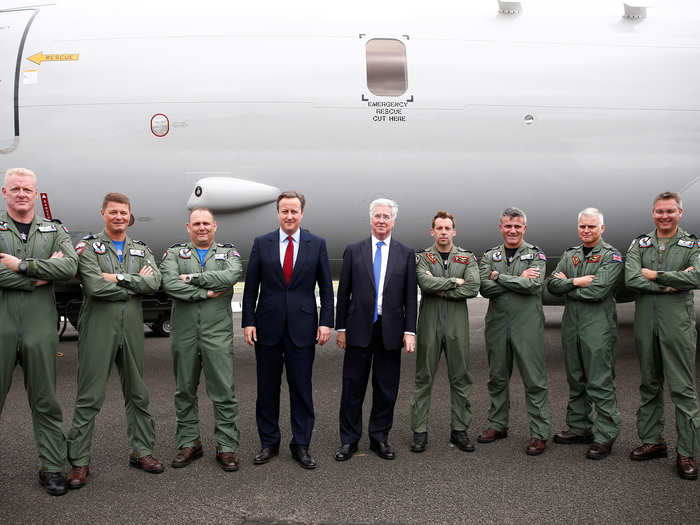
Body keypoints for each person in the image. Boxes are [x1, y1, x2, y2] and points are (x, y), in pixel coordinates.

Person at [66, 192, 163, 489]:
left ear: (129, 215)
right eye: (113, 212)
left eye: (124, 212)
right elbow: (94, 286)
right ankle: (79, 462)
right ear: (103, 213)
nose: (119, 217)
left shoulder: (140, 249)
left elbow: (154, 282)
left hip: (131, 326)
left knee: (138, 393)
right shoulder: (89, 247)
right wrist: (133, 284)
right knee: (89, 396)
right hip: (98, 326)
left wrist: (116, 278)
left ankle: (142, 452)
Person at [0, 168, 78, 496]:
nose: (21, 194)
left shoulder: (53, 230)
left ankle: (52, 467)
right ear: (5, 193)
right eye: (15, 189)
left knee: (45, 400)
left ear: (36, 194)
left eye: (27, 189)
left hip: (40, 329)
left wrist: (20, 265)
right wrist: (43, 274)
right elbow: (56, 269)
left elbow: (70, 267)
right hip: (2, 327)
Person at [242, 191, 333, 470]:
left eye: (294, 211)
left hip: (303, 328)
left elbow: (327, 290)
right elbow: (250, 288)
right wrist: (248, 321)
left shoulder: (316, 244)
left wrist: (326, 322)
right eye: (284, 211)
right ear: (278, 213)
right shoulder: (262, 243)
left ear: (301, 213)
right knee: (266, 390)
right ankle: (269, 443)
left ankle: (301, 445)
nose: (289, 216)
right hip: (267, 328)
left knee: (301, 390)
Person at [335, 198, 417, 462]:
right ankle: (349, 440)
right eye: (378, 216)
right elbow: (343, 293)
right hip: (358, 328)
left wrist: (410, 331)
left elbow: (409, 298)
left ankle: (379, 437)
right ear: (371, 219)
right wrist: (341, 328)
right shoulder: (354, 250)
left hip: (390, 330)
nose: (382, 220)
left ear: (393, 221)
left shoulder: (405, 254)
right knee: (352, 387)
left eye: (386, 216)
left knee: (385, 388)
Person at [160, 208, 243, 472]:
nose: (202, 228)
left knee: (224, 392)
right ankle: (189, 442)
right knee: (184, 390)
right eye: (196, 224)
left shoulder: (228, 253)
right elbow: (169, 284)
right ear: (188, 227)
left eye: (206, 223)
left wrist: (193, 279)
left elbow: (231, 276)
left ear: (215, 226)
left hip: (217, 334)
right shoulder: (174, 253)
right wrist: (204, 293)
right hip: (184, 334)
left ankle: (226, 446)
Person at [625, 191, 700, 480]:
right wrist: (672, 283)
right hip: (646, 325)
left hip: (677, 325)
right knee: (649, 384)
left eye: (670, 211)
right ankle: (653, 441)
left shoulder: (691, 244)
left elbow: (697, 276)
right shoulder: (639, 243)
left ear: (680, 212)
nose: (664, 216)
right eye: (659, 211)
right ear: (652, 213)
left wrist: (656, 276)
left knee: (683, 389)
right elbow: (631, 278)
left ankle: (687, 452)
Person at [547, 208, 623, 460]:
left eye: (592, 227)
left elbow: (598, 290)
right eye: (583, 226)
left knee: (599, 381)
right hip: (572, 327)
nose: (587, 231)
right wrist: (577, 282)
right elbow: (552, 285)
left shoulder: (611, 256)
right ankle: (579, 427)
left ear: (602, 228)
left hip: (597, 327)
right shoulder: (571, 254)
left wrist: (568, 285)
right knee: (576, 379)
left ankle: (605, 435)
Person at [477, 207, 551, 456]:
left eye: (517, 226)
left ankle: (539, 433)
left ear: (524, 229)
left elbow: (533, 285)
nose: (512, 230)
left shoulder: (536, 254)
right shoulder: (490, 255)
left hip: (527, 327)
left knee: (534, 381)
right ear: (501, 227)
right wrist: (515, 278)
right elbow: (484, 288)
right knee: (497, 378)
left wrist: (499, 277)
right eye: (508, 226)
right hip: (498, 326)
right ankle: (498, 425)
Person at [409, 211, 480, 453]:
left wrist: (441, 288)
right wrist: (454, 282)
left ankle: (459, 430)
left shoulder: (467, 257)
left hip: (457, 324)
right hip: (429, 322)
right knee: (423, 377)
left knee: (460, 378)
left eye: (447, 228)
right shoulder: (423, 257)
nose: (443, 232)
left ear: (454, 231)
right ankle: (419, 432)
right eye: (438, 228)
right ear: (432, 231)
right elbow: (424, 283)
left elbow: (472, 287)